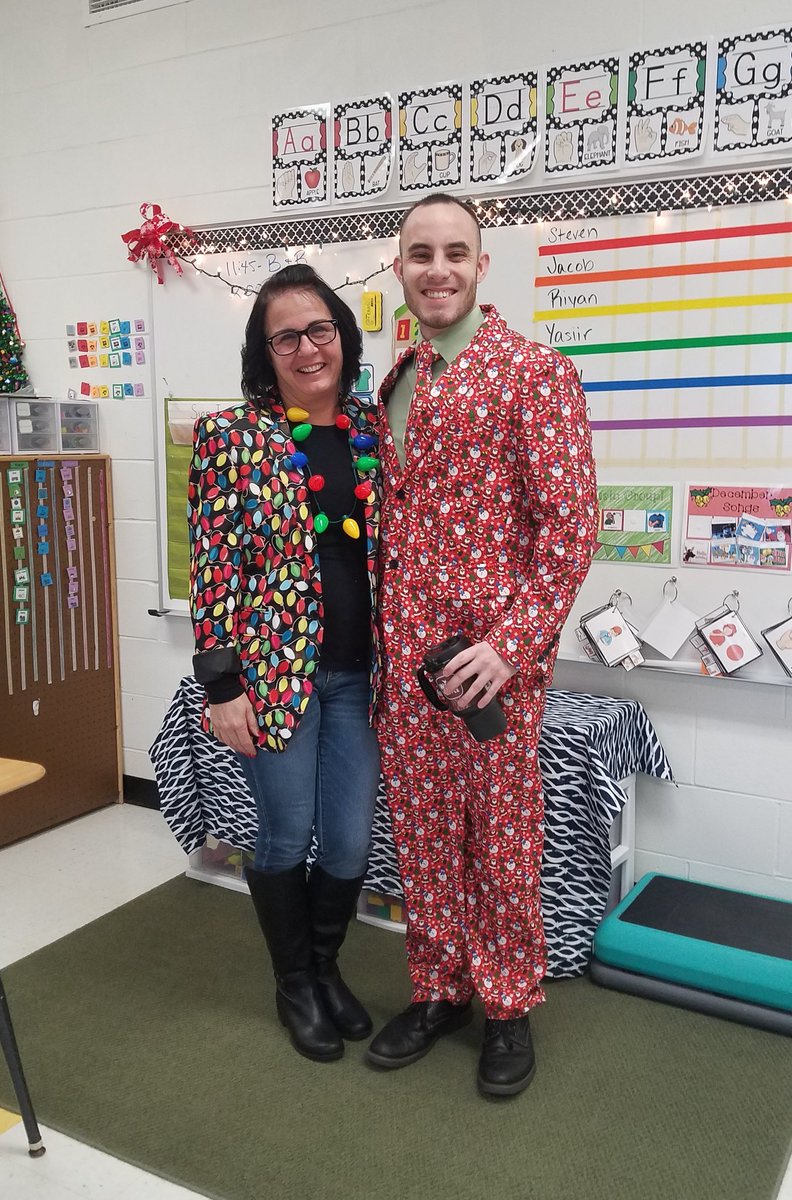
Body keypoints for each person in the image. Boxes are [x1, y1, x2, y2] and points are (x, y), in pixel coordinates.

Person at [367, 195, 598, 1096]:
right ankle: (439, 991)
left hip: (491, 668)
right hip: (407, 668)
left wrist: (510, 647)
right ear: (399, 266)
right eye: (420, 253)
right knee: (422, 841)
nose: (437, 268)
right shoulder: (397, 380)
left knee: (501, 845)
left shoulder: (533, 372)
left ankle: (506, 1008)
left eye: (454, 252)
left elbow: (570, 531)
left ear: (482, 264)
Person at [187, 264, 381, 1063]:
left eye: (319, 329)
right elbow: (213, 568)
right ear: (264, 352)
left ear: (343, 332)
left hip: (362, 678)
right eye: (285, 336)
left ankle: (326, 967)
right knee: (283, 835)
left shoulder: (374, 428)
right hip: (275, 679)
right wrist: (222, 684)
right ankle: (294, 982)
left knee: (349, 841)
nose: (307, 348)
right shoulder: (232, 436)